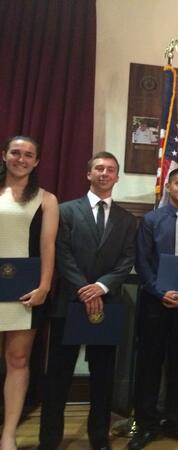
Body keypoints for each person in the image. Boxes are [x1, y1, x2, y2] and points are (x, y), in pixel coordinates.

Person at [39, 152, 135, 450]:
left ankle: (99, 437)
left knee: (103, 377)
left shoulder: (127, 219)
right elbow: (61, 252)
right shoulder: (65, 211)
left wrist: (101, 287)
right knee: (58, 375)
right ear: (88, 174)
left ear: (117, 177)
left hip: (107, 304)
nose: (105, 173)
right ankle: (49, 440)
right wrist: (84, 288)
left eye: (110, 169)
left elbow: (127, 259)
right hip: (69, 302)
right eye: (99, 168)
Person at [128, 168, 178, 450]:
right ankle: (146, 424)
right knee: (149, 363)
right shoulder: (151, 220)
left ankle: (176, 421)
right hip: (155, 303)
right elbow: (142, 261)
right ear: (169, 187)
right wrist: (160, 292)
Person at [0, 136, 58, 450]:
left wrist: (44, 286)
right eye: (16, 153)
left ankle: (8, 434)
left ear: (36, 162)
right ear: (4, 155)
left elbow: (48, 246)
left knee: (18, 359)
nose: (21, 159)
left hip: (25, 292)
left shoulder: (47, 199)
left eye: (28, 155)